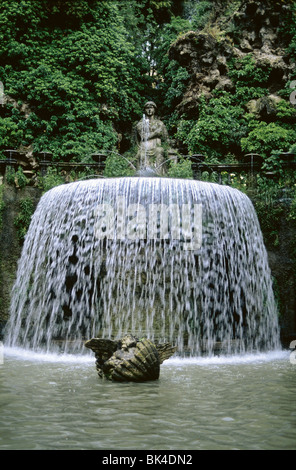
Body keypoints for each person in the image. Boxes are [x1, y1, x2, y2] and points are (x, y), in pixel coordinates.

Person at [134, 101, 175, 175]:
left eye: (151, 108)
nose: (149, 110)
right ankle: (141, 175)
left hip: (156, 147)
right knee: (141, 155)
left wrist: (170, 143)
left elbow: (166, 138)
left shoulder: (160, 123)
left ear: (154, 110)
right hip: (144, 148)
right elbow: (143, 136)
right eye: (147, 108)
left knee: (159, 150)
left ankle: (158, 175)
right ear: (145, 110)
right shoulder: (140, 124)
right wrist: (156, 133)